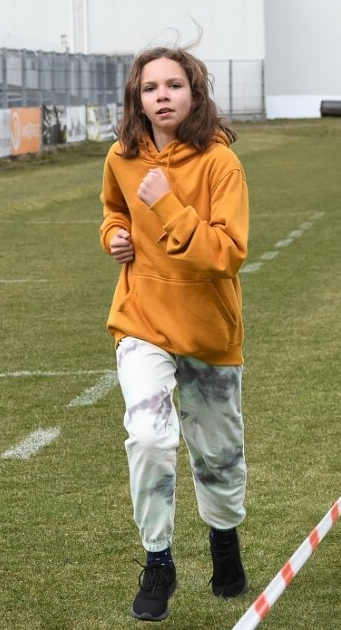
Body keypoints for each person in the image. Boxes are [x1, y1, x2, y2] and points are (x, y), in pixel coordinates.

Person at [99, 44, 250, 622]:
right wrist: (112, 235)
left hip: (210, 330)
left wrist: (167, 207)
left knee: (218, 452)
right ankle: (158, 559)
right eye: (150, 88)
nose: (162, 96)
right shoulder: (121, 156)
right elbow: (114, 209)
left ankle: (224, 543)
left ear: (195, 92)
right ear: (138, 99)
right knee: (149, 436)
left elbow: (227, 256)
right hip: (142, 319)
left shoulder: (220, 164)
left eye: (174, 85)